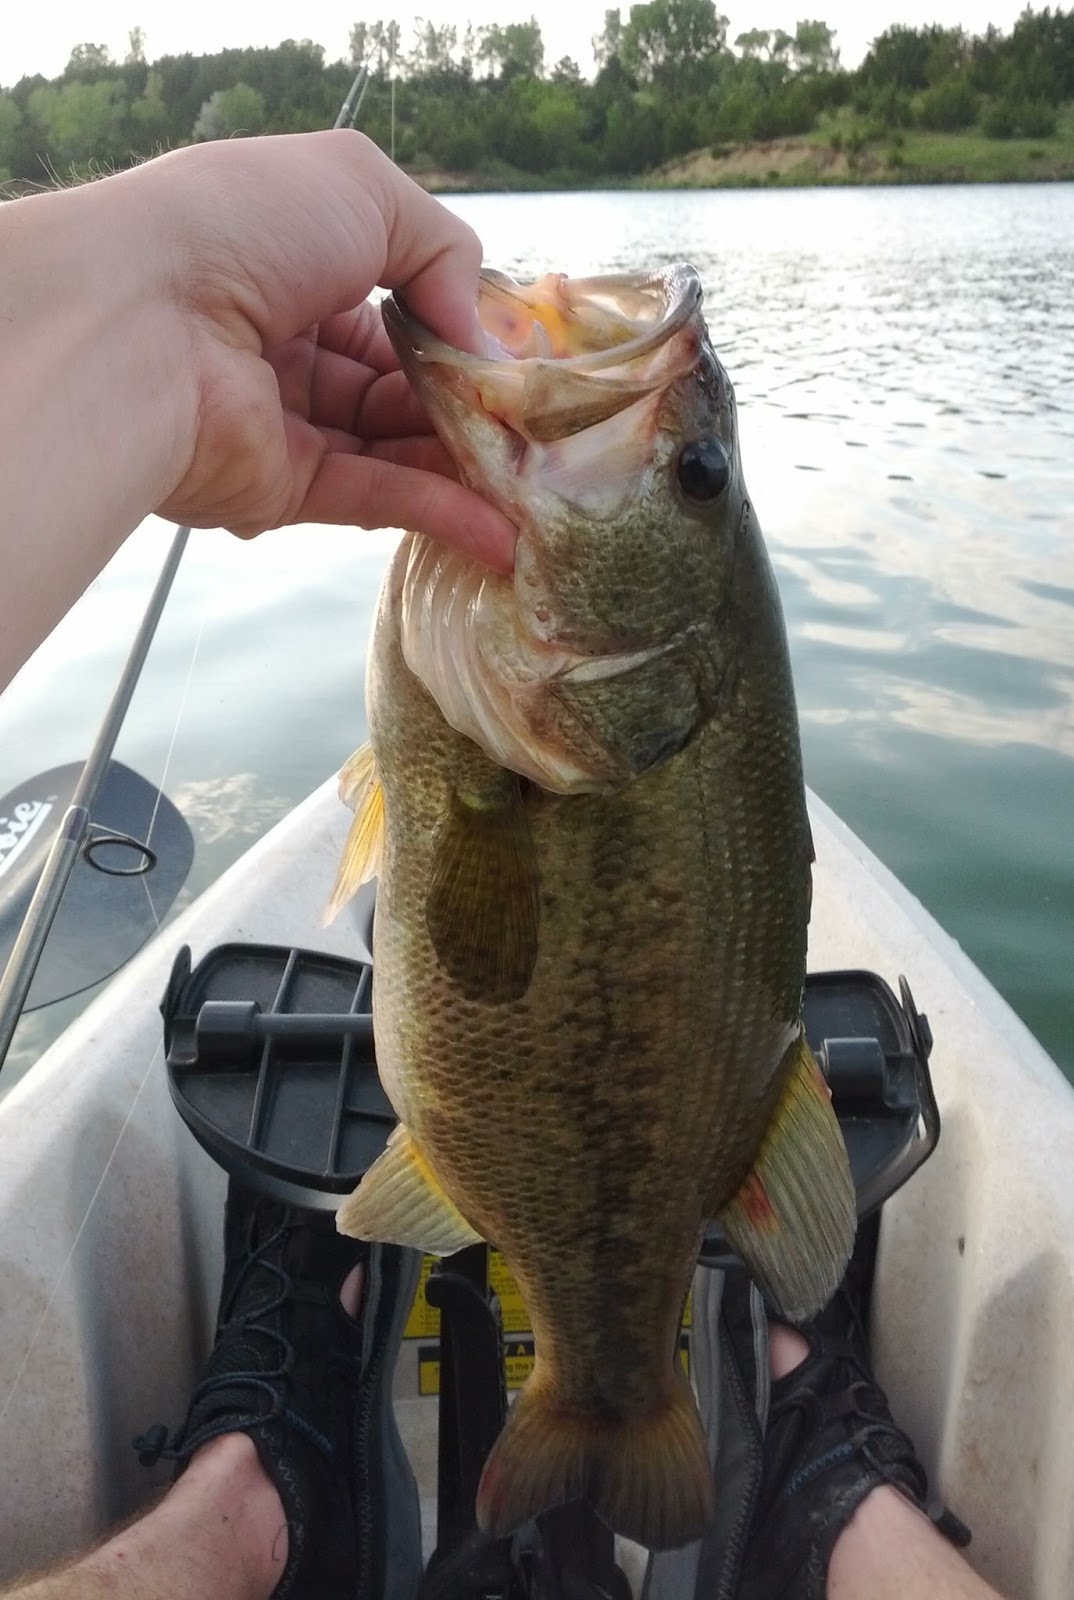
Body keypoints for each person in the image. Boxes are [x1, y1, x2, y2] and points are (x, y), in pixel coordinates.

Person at [0, 132, 1006, 1600]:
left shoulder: (542, 711)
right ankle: (825, 1476)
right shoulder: (567, 704)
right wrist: (158, 306)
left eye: (693, 470)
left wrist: (152, 301)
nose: (682, 441)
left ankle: (253, 1491)